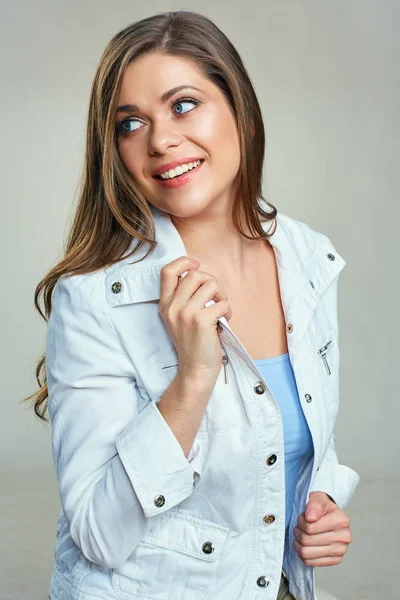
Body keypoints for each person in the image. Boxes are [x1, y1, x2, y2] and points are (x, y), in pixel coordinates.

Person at [24, 10, 360, 600]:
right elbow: (98, 535)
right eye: (131, 123)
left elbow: (304, 431)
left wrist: (321, 499)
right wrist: (193, 378)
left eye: (183, 104)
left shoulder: (307, 256)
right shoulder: (95, 299)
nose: (160, 140)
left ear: (242, 112)